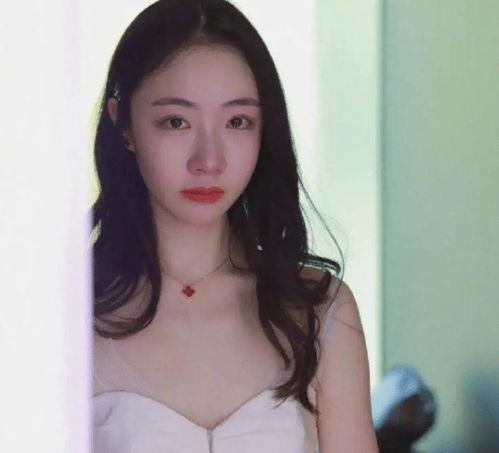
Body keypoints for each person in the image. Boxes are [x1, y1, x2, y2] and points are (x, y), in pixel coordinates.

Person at [91, 0, 378, 451]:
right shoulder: (63, 319)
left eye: (237, 121)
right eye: (176, 122)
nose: (209, 160)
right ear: (122, 124)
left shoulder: (320, 310)